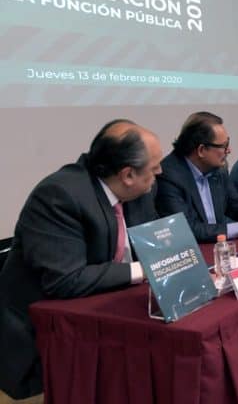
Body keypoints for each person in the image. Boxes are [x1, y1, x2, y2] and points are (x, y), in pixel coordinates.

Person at [0, 120, 162, 399]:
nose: (160, 172)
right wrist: (144, 269)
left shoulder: (140, 191)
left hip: (108, 319)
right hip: (43, 346)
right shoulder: (60, 196)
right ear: (127, 175)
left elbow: (156, 242)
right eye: (154, 167)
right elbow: (66, 280)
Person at [155, 112, 238, 243]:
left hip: (220, 245)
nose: (229, 150)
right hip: (193, 249)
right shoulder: (169, 176)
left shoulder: (218, 169)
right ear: (201, 150)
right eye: (224, 146)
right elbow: (187, 229)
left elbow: (235, 203)